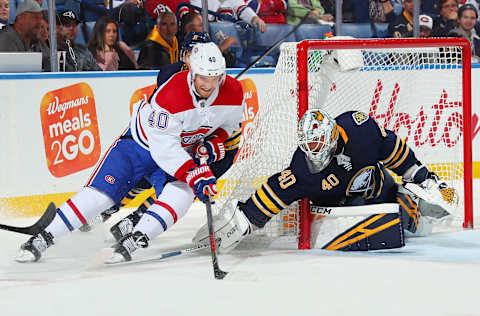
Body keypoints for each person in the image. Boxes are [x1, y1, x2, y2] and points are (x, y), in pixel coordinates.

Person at [15, 42, 245, 264]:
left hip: (178, 152)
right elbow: (164, 148)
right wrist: (194, 173)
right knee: (100, 196)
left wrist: (216, 141)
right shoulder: (172, 94)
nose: (208, 85)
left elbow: (230, 125)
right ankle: (42, 238)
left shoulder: (233, 92)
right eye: (203, 77)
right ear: (192, 72)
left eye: (214, 78)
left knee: (183, 193)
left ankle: (137, 238)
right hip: (139, 147)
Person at [193, 109, 457, 253]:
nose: (314, 149)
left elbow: (392, 149)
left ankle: (415, 205)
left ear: (331, 136)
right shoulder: (302, 168)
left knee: (422, 224)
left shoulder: (359, 130)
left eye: (318, 142)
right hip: (350, 209)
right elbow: (275, 191)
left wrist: (424, 178)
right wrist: (243, 221)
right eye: (308, 144)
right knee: (401, 223)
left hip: (382, 186)